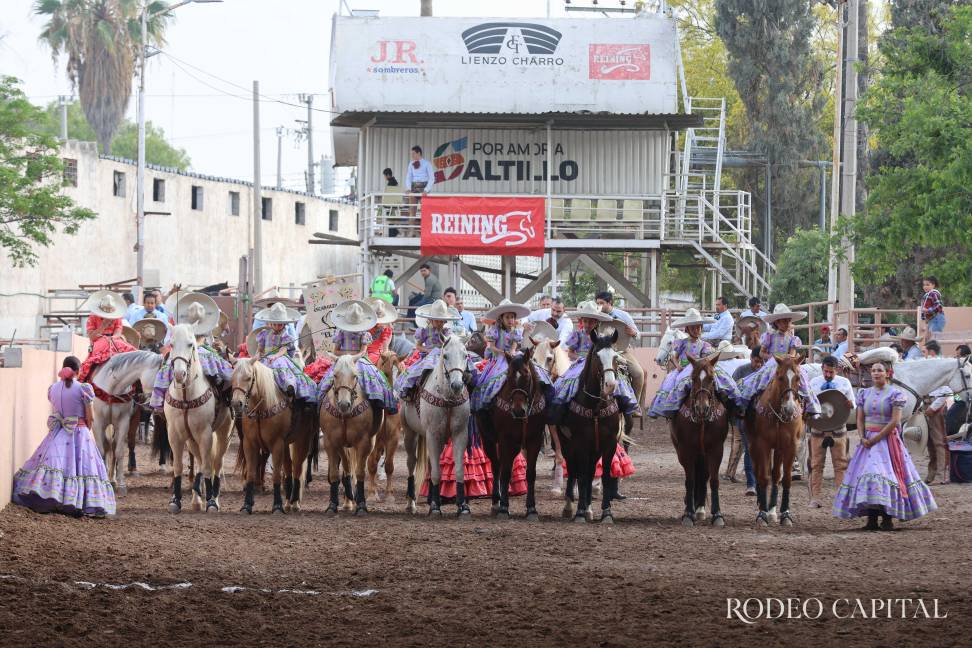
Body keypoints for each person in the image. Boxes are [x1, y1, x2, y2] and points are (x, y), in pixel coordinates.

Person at [832, 361, 937, 530]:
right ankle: (872, 519)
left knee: (884, 477)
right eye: (873, 371)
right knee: (867, 477)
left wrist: (876, 438)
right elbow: (860, 418)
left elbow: (895, 421)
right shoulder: (864, 394)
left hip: (887, 442)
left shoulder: (895, 394)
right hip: (867, 442)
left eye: (879, 370)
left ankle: (887, 518)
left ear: (888, 373)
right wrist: (862, 436)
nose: (875, 373)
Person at [549, 302, 638, 497]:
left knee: (619, 380)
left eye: (591, 320)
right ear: (581, 321)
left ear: (596, 321)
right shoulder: (578, 334)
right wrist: (577, 356)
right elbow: (570, 350)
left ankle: (625, 406)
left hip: (602, 362)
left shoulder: (604, 334)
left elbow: (612, 349)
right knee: (565, 384)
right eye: (586, 320)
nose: (588, 323)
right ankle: (559, 410)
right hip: (581, 364)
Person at [12, 356, 115, 518]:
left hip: (58, 432)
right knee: (81, 469)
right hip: (79, 431)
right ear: (78, 370)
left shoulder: (52, 388)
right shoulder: (84, 388)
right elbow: (90, 417)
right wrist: (86, 430)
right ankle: (78, 502)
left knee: (57, 466)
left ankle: (53, 498)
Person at [649, 308, 740, 421]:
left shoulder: (705, 344)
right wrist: (677, 366)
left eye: (698, 327)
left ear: (701, 328)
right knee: (672, 382)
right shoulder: (681, 342)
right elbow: (674, 356)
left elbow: (708, 358)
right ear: (687, 329)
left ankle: (731, 402)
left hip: (701, 367)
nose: (696, 330)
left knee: (720, 378)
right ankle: (673, 408)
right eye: (693, 327)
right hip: (685, 368)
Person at [149, 294, 233, 412]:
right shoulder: (183, 326)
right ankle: (223, 396)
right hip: (189, 350)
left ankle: (159, 401)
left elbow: (209, 340)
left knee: (166, 369)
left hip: (197, 349)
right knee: (225, 371)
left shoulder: (198, 325)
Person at [736, 303, 821, 417]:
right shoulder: (769, 336)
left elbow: (793, 353)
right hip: (773, 363)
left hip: (788, 363)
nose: (787, 323)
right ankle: (747, 405)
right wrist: (773, 358)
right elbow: (762, 352)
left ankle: (810, 407)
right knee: (758, 381)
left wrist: (789, 358)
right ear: (777, 322)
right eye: (784, 321)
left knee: (802, 378)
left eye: (788, 321)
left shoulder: (792, 338)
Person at [316, 300, 397, 415]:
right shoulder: (341, 333)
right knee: (326, 380)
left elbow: (363, 352)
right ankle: (318, 406)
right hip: (342, 360)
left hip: (360, 361)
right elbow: (336, 351)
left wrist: (350, 356)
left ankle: (379, 405)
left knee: (377, 378)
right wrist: (346, 356)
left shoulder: (365, 334)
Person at [471, 301, 553, 413]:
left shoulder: (516, 332)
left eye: (513, 317)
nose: (511, 320)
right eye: (507, 317)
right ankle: (488, 403)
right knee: (492, 379)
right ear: (501, 318)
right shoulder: (495, 330)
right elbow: (492, 347)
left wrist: (512, 352)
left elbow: (514, 347)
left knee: (533, 367)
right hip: (498, 358)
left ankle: (544, 385)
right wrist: (504, 352)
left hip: (513, 355)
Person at [394, 300, 477, 397]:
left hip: (446, 354)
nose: (439, 323)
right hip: (429, 356)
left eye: (441, 321)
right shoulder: (424, 331)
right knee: (415, 372)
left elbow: (451, 345)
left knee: (466, 362)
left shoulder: (447, 332)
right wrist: (428, 350)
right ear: (431, 320)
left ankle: (471, 389)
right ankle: (413, 391)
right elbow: (418, 346)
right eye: (437, 320)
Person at [807, 356, 855, 508]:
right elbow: (806, 402)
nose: (828, 375)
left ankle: (841, 498)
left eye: (831, 372)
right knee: (816, 464)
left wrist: (849, 403)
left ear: (837, 370)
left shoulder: (845, 382)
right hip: (818, 427)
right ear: (822, 368)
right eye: (826, 371)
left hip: (838, 427)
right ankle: (815, 498)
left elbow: (853, 403)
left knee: (841, 464)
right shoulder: (813, 382)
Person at [595, 291, 645, 413]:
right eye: (597, 303)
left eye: (602, 303)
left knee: (638, 373)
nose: (599, 306)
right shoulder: (596, 316)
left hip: (622, 351)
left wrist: (633, 333)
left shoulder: (624, 315)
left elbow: (638, 335)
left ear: (610, 303)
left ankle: (634, 406)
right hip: (602, 353)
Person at [78, 291, 137, 384]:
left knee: (132, 352)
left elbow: (118, 330)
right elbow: (93, 337)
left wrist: (113, 338)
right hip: (98, 341)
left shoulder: (117, 317)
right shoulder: (92, 318)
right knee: (93, 361)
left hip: (114, 340)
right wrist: (103, 325)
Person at [728, 346, 762, 496]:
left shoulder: (767, 372)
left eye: (761, 362)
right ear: (751, 358)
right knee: (749, 449)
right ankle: (751, 484)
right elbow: (731, 391)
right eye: (756, 361)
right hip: (744, 416)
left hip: (763, 417)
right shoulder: (741, 371)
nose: (759, 365)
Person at [925, 384, 952, 485]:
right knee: (930, 443)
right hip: (926, 403)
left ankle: (942, 475)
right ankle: (932, 474)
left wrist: (933, 407)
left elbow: (947, 390)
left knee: (939, 443)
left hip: (936, 406)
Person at [405, 145, 435, 218]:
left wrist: (426, 190)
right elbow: (408, 177)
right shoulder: (411, 164)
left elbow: (432, 178)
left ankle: (425, 228)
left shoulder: (427, 163)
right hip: (414, 187)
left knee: (425, 211)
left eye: (413, 154)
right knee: (412, 212)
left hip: (424, 187)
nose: (412, 156)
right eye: (411, 154)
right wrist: (409, 188)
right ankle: (411, 229)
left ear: (419, 153)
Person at [365, 297, 396, 364]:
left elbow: (385, 348)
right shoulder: (367, 325)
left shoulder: (386, 328)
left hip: (376, 353)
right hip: (366, 351)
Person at [920, 276, 945, 340]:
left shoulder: (933, 293)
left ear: (933, 285)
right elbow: (923, 310)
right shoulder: (926, 295)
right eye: (924, 285)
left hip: (937, 319)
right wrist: (924, 319)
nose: (925, 286)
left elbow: (939, 306)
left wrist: (928, 310)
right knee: (928, 340)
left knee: (934, 341)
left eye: (927, 285)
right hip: (931, 320)